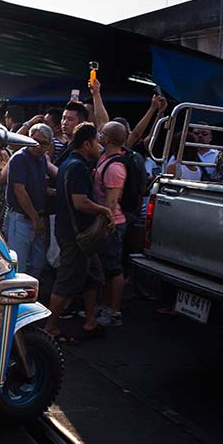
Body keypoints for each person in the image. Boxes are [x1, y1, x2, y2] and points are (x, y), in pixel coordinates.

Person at [44, 123, 116, 341]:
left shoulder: (70, 164)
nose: (100, 147)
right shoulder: (78, 167)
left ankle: (90, 321)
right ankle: (50, 328)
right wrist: (104, 210)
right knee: (66, 282)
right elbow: (80, 202)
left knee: (93, 277)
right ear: (87, 144)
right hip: (76, 237)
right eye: (97, 141)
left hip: (80, 235)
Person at [92, 121, 131, 327]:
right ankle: (104, 306)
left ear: (107, 139)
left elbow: (112, 201)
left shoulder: (115, 166)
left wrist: (104, 222)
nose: (98, 135)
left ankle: (114, 311)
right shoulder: (105, 158)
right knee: (105, 268)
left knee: (114, 268)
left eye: (102, 133)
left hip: (112, 223)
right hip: (107, 221)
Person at [4, 124, 56, 277]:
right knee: (18, 267)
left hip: (37, 217)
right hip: (21, 218)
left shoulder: (41, 160)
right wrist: (35, 218)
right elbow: (20, 190)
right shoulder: (20, 158)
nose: (38, 145)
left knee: (37, 265)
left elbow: (37, 185)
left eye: (43, 143)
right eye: (35, 140)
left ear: (49, 145)